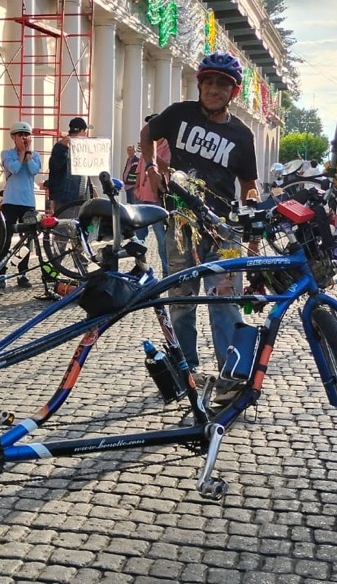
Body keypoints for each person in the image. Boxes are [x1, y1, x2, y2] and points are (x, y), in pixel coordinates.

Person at [139, 52, 258, 398]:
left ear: (233, 92)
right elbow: (147, 133)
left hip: (223, 229)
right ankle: (186, 369)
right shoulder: (179, 114)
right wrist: (149, 167)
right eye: (209, 81)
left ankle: (231, 376)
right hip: (180, 223)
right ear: (200, 84)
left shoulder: (242, 135)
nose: (214, 89)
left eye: (223, 84)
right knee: (181, 300)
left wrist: (252, 204)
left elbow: (249, 183)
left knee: (225, 301)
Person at [0, 121, 42, 288]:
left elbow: (33, 170)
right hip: (10, 201)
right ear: (13, 137)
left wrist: (28, 154)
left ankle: (21, 272)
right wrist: (22, 154)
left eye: (27, 135)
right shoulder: (6, 153)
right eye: (20, 135)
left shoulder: (36, 155)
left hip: (28, 202)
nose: (24, 138)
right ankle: (2, 272)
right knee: (6, 238)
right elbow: (14, 169)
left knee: (26, 240)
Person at [134, 113, 172, 274]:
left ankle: (166, 271)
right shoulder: (146, 147)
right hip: (142, 198)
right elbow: (138, 171)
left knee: (161, 239)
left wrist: (151, 153)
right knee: (137, 237)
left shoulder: (167, 148)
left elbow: (168, 168)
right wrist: (137, 189)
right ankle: (140, 267)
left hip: (157, 199)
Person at [46, 117, 93, 218]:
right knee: (65, 228)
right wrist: (63, 148)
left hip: (80, 197)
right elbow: (54, 167)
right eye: (85, 131)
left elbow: (84, 172)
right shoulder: (62, 146)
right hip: (67, 198)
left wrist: (91, 190)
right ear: (81, 131)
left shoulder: (81, 148)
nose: (85, 134)